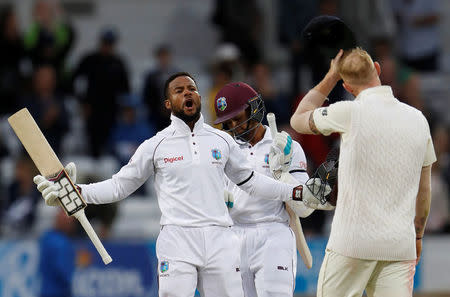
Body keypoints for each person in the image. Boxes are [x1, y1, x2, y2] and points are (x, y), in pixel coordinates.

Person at [34, 72, 325, 297]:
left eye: (192, 88)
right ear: (167, 103)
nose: (187, 92)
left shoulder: (222, 141)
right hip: (177, 239)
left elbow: (253, 182)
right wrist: (78, 192)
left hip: (220, 239)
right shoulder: (155, 145)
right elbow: (120, 186)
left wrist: (296, 191)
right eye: (179, 90)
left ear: (198, 98)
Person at [290, 48, 436, 296]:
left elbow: (298, 119)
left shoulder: (348, 112)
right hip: (399, 245)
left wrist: (330, 77)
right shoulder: (418, 119)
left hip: (352, 244)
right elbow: (424, 190)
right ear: (377, 69)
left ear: (346, 86)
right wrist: (418, 236)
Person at [213, 82, 333, 297]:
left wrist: (283, 174)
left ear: (255, 108)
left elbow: (305, 209)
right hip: (232, 237)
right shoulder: (223, 151)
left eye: (238, 118)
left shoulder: (287, 147)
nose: (235, 127)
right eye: (228, 122)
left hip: (273, 234)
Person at [72, 27, 130, 157]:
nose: (107, 47)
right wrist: (82, 102)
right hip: (91, 108)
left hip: (111, 109)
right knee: (92, 140)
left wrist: (123, 107)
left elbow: (125, 89)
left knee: (109, 140)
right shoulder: (90, 60)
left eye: (110, 44)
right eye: (105, 43)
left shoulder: (118, 63)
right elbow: (75, 81)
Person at [39, 209, 77, 297]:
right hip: (58, 292)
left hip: (45, 290)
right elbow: (63, 271)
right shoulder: (62, 243)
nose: (72, 224)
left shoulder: (46, 237)